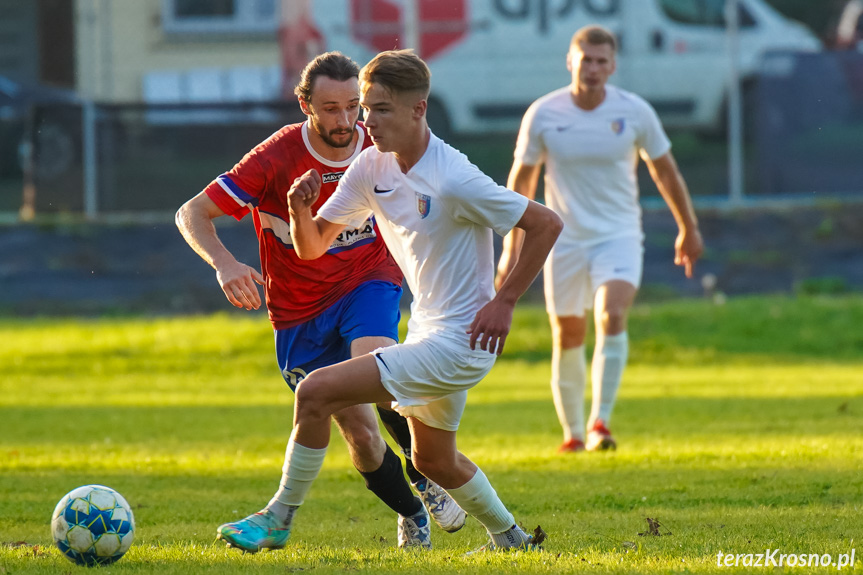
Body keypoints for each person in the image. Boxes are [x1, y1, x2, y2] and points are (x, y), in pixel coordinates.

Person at [175, 51, 465, 552]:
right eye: (331, 108)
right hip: (298, 310)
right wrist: (225, 264)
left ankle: (426, 474)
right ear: (305, 103)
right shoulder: (275, 158)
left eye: (354, 106)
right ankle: (413, 511)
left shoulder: (378, 146)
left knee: (375, 364)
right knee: (360, 433)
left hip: (366, 280)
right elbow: (192, 213)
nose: (347, 120)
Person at [280, 49, 562, 552]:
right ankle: (514, 539)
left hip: (463, 342)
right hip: (428, 330)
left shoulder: (453, 176)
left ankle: (278, 517)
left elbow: (545, 223)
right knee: (432, 461)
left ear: (419, 109)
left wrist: (505, 300)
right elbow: (312, 245)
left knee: (315, 392)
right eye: (366, 108)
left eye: (381, 109)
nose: (367, 121)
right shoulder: (371, 165)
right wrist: (298, 210)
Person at [497, 25, 704, 454]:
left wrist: (688, 226)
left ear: (613, 66)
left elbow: (664, 171)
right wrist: (511, 246)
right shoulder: (543, 113)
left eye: (601, 61)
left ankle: (600, 424)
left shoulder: (635, 111)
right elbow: (523, 180)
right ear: (570, 61)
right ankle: (573, 434)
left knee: (611, 315)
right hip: (562, 242)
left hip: (619, 234)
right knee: (568, 331)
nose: (592, 68)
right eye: (585, 59)